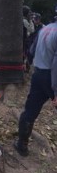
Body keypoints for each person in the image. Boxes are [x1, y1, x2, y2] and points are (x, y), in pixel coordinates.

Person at [14, 17, 57, 157]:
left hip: (38, 74)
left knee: (30, 111)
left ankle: (22, 145)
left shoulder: (44, 29)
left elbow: (31, 51)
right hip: (52, 75)